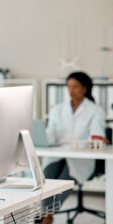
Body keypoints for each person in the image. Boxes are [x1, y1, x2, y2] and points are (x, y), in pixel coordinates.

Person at [40, 72, 106, 224]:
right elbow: (52, 133)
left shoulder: (95, 110)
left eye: (75, 87)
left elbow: (96, 134)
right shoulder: (58, 109)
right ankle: (46, 215)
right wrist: (42, 137)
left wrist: (95, 139)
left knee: (64, 181)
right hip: (58, 154)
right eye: (68, 86)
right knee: (47, 178)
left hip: (80, 157)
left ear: (84, 88)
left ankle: (46, 216)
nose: (71, 90)